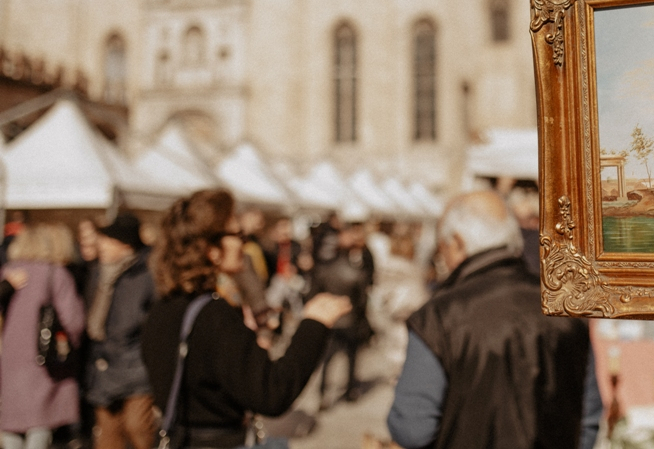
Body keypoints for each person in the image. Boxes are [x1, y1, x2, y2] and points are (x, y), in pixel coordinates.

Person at [387, 190, 602, 449]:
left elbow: (412, 429)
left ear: (457, 243)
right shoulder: (564, 306)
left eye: (442, 248)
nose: (442, 258)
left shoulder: (439, 315)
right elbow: (587, 418)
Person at [141, 189, 350, 449]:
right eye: (237, 234)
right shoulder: (214, 315)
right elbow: (273, 393)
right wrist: (314, 324)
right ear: (211, 249)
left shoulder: (167, 305)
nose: (245, 242)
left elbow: (205, 375)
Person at [0, 222, 86, 449]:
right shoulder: (55, 274)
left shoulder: (7, 273)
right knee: (41, 419)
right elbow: (73, 320)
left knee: (10, 420)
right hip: (43, 360)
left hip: (9, 359)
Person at [85, 212, 156, 449]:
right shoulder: (97, 273)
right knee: (107, 436)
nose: (101, 246)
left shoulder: (145, 274)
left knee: (138, 429)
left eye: (108, 241)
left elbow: (149, 320)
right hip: (103, 365)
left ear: (124, 244)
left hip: (136, 366)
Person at [308, 220, 375, 406]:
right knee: (351, 357)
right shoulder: (357, 273)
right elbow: (362, 301)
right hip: (349, 319)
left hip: (330, 319)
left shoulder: (323, 269)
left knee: (327, 359)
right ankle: (350, 390)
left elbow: (314, 294)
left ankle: (323, 393)